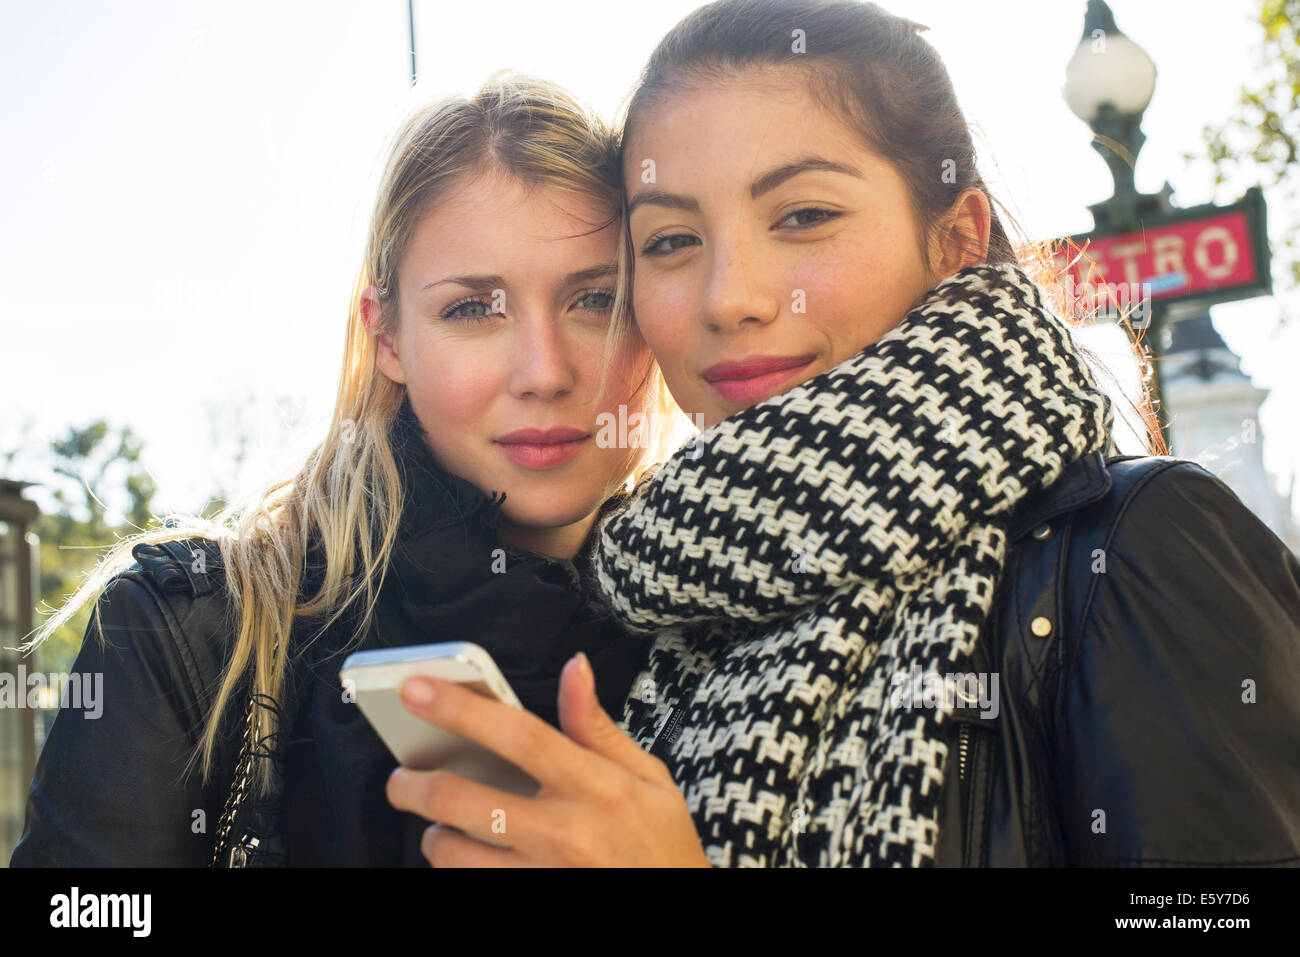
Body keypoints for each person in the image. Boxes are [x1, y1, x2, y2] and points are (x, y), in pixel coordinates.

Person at [386, 0, 1300, 867]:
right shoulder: (659, 618)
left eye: (804, 216)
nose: (733, 297)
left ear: (954, 235)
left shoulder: (1137, 549)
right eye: (670, 241)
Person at [10, 72, 680, 867]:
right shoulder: (194, 628)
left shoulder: (726, 636)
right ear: (388, 337)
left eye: (596, 300)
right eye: (474, 308)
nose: (543, 371)